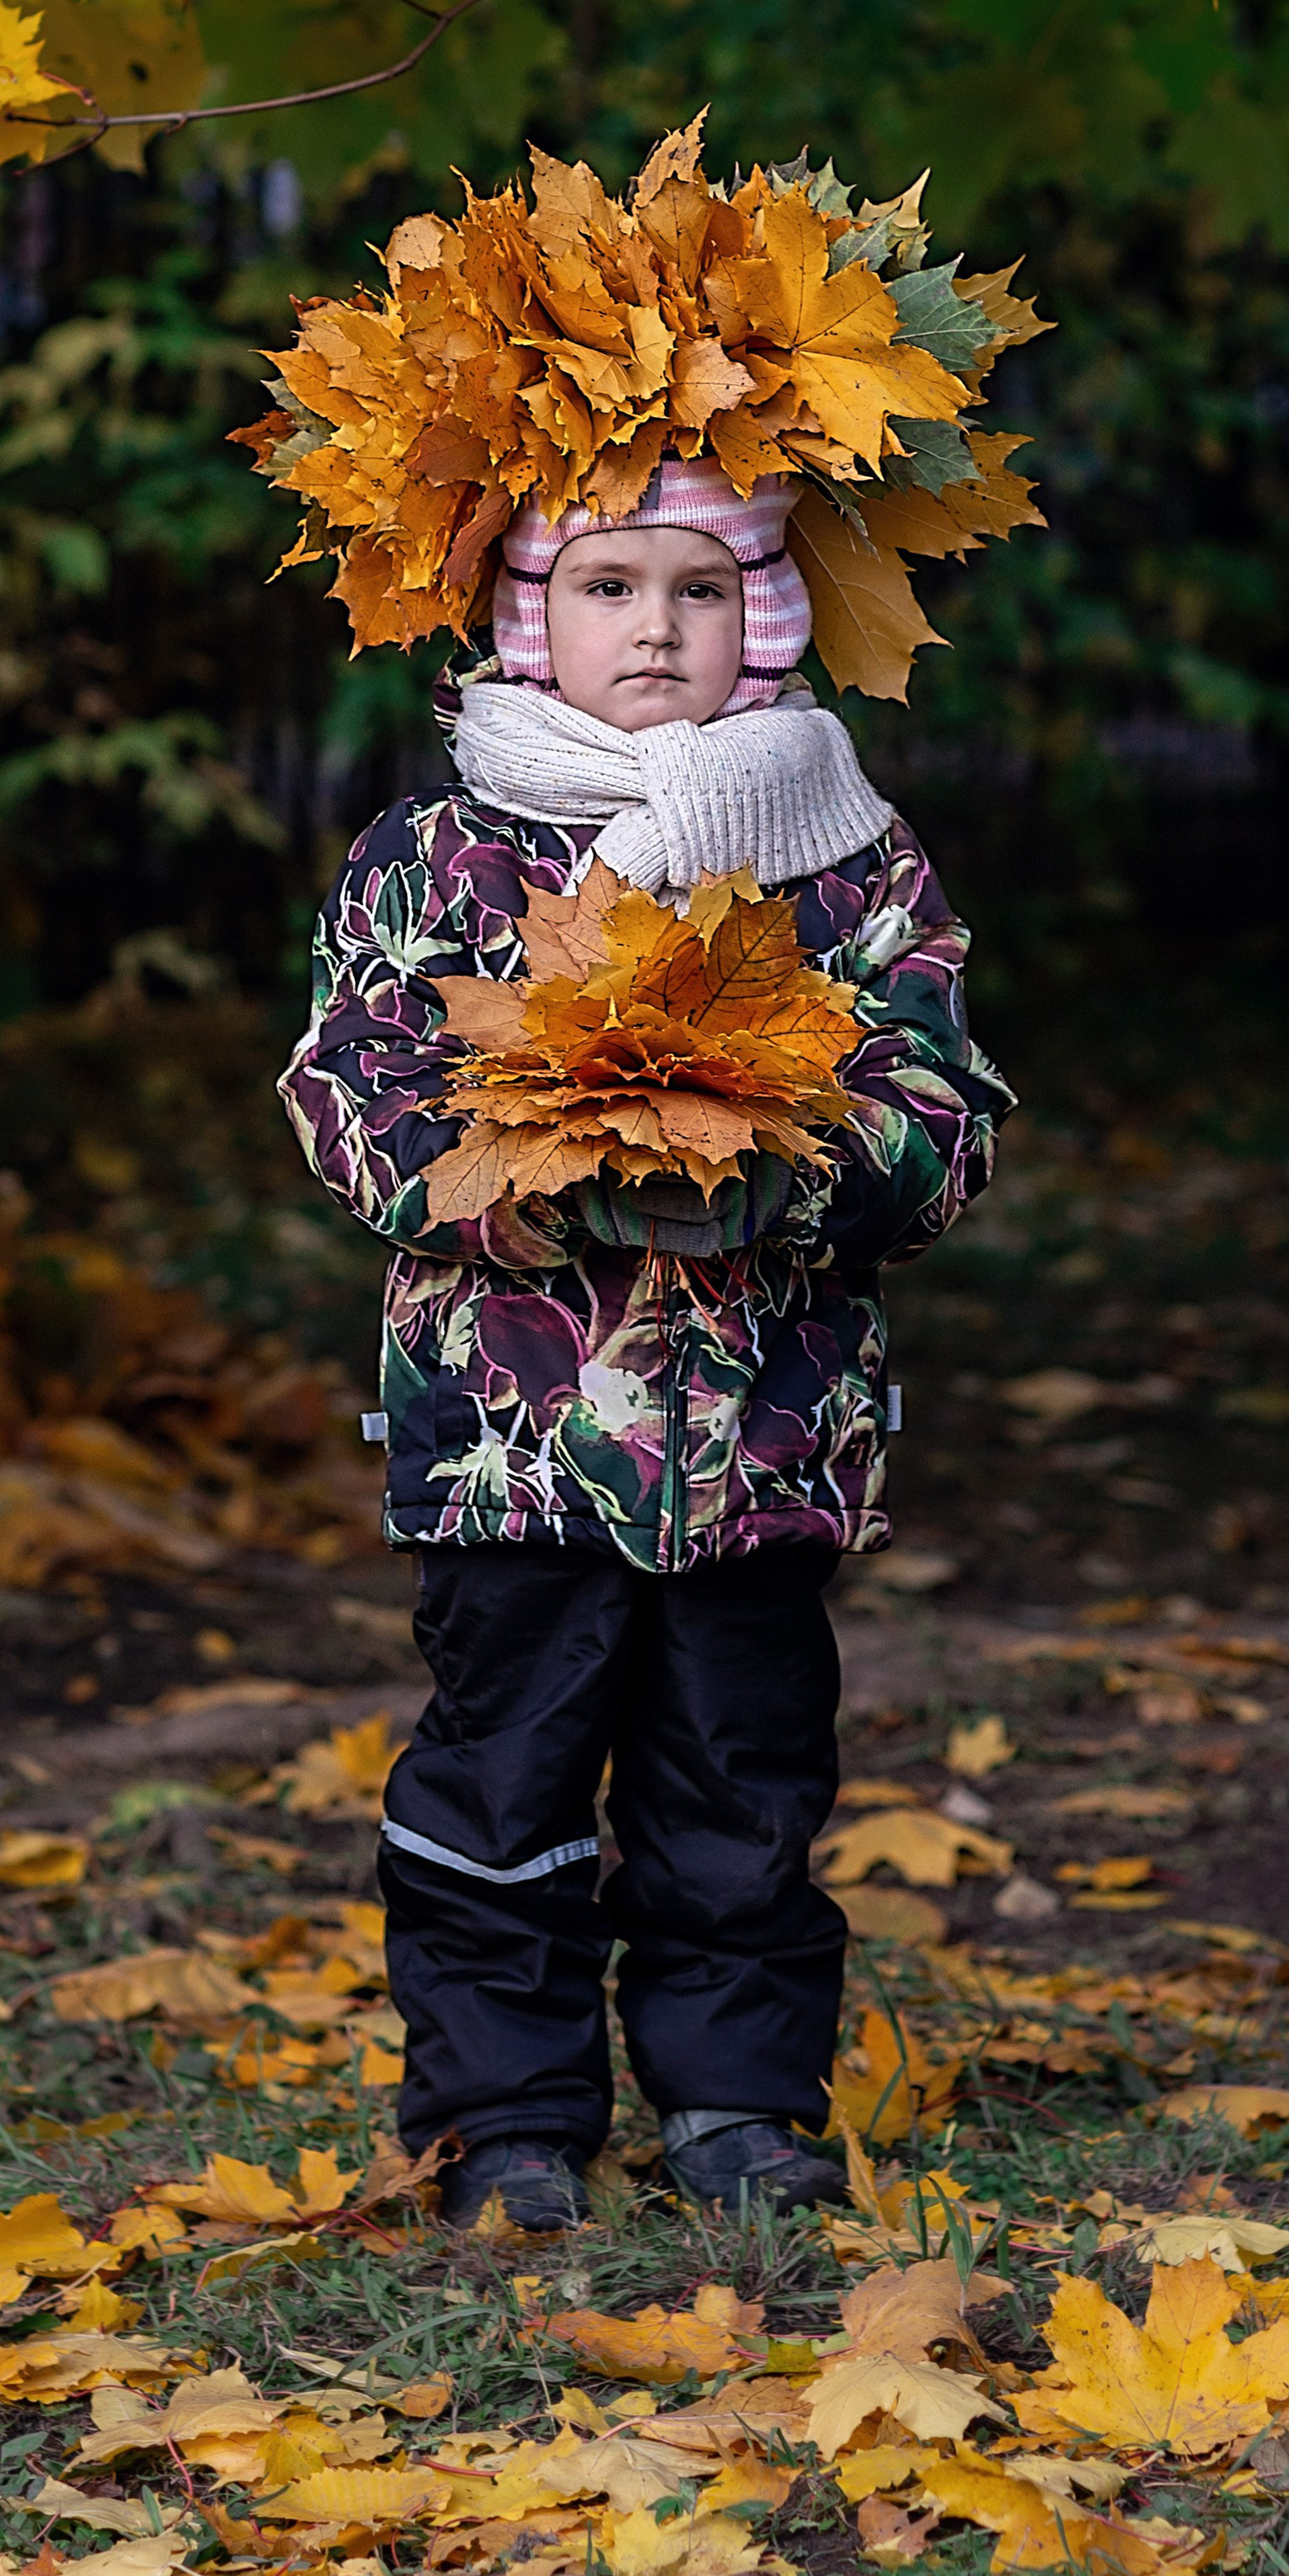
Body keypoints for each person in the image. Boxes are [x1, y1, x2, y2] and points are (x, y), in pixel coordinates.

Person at [279, 459, 1010, 2230]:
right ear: (535, 613)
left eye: (697, 590)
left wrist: (796, 1180)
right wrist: (476, 1185)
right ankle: (505, 2118)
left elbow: (946, 1103)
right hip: (507, 1438)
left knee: (740, 1786)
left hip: (761, 1434)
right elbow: (343, 1079)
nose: (654, 629)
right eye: (609, 588)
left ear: (758, 615)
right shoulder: (430, 853)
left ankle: (738, 2105)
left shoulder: (843, 856)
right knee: (501, 1773)